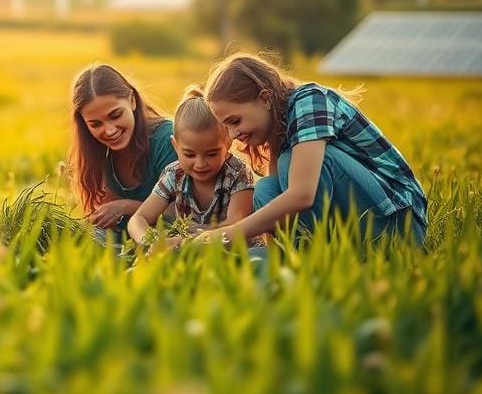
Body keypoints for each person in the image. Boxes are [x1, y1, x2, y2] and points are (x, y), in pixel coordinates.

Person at [196, 53, 427, 246]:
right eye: (226, 126)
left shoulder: (310, 101)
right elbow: (277, 203)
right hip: (358, 223)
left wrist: (224, 235)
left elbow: (301, 196)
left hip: (399, 223)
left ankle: (314, 250)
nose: (233, 135)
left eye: (235, 121)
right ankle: (302, 254)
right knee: (266, 187)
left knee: (290, 164)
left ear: (265, 98)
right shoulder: (278, 124)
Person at [128, 85, 254, 248]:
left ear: (227, 144)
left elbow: (236, 225)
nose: (200, 164)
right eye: (189, 154)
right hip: (187, 251)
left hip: (232, 250)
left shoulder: (238, 174)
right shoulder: (175, 174)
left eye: (212, 154)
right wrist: (152, 242)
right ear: (175, 145)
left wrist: (183, 242)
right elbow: (138, 219)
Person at [69, 63, 178, 234]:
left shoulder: (166, 139)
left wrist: (125, 207)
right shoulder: (98, 151)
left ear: (132, 100)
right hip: (129, 241)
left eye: (115, 115)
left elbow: (181, 214)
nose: (109, 130)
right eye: (95, 124)